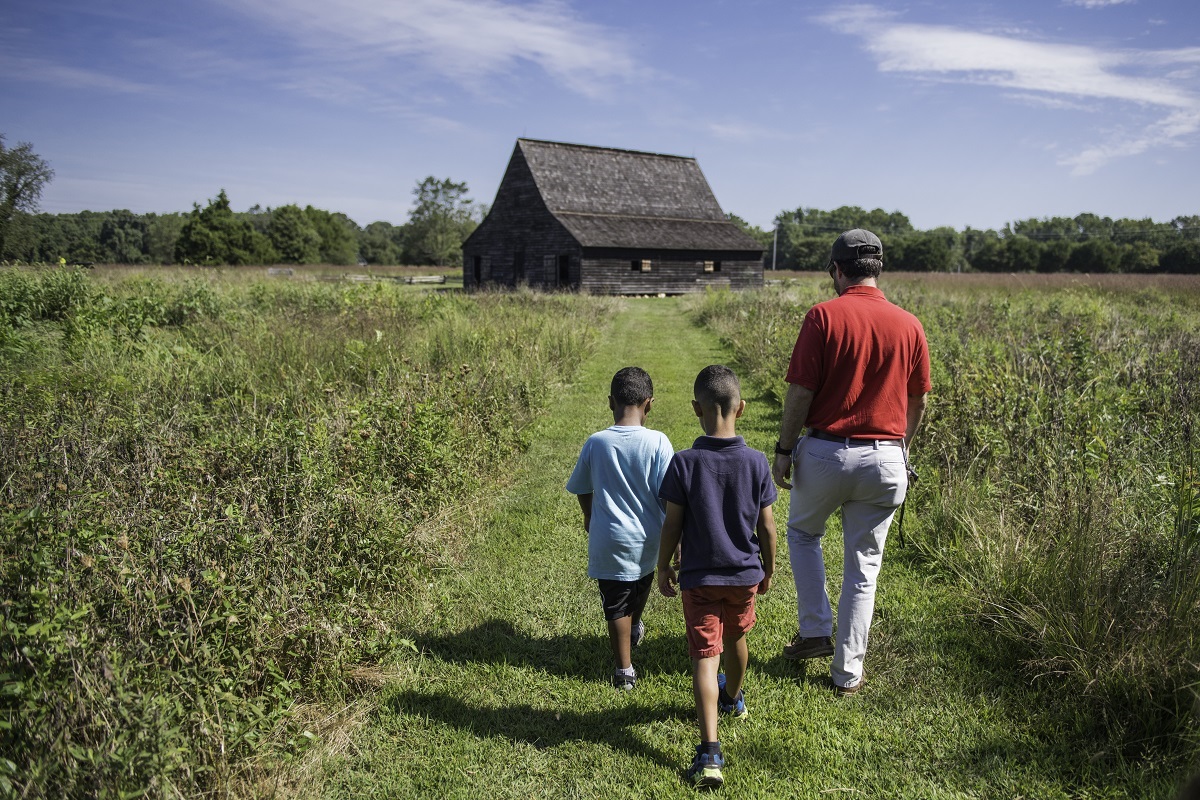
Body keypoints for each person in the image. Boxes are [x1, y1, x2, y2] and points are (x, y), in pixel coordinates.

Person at [771, 228, 931, 696]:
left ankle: (816, 628)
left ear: (836, 271)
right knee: (864, 566)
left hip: (824, 451)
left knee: (803, 534)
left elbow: (801, 392)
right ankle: (847, 675)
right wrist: (901, 447)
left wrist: (784, 451)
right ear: (878, 269)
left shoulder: (823, 316)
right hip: (885, 457)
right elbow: (918, 399)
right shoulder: (909, 323)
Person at [657, 365, 778, 788]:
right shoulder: (757, 462)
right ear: (741, 409)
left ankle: (710, 752)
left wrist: (662, 564)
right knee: (737, 640)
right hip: (744, 574)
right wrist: (769, 567)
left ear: (696, 409)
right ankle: (732, 697)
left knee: (705, 658)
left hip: (699, 577)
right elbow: (767, 528)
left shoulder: (684, 463)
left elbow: (672, 524)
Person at [566, 366, 675, 690]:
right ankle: (628, 651)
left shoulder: (596, 443)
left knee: (615, 602)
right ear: (649, 404)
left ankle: (624, 664)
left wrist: (589, 515)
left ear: (610, 402)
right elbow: (671, 496)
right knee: (640, 586)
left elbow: (582, 487)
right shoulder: (658, 441)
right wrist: (677, 535)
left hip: (609, 538)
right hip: (649, 539)